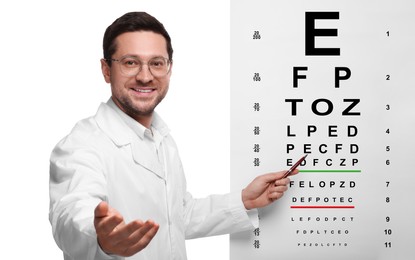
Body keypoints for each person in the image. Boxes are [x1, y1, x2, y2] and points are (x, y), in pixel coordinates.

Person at [49, 12, 298, 260]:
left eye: (156, 63)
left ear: (169, 69)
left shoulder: (161, 138)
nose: (145, 76)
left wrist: (244, 200)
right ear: (106, 70)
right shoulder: (82, 144)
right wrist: (100, 237)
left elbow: (176, 216)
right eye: (130, 62)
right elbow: (69, 215)